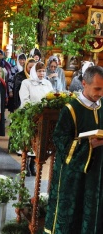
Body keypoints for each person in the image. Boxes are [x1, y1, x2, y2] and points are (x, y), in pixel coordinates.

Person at [44, 66, 103, 234]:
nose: (101, 93)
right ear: (84, 83)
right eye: (97, 88)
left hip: (98, 172)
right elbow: (60, 141)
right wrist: (88, 145)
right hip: (74, 177)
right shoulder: (71, 109)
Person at [19, 61, 53, 176]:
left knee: (39, 141)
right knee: (29, 141)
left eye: (43, 71)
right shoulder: (26, 83)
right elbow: (25, 100)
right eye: (39, 71)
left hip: (44, 118)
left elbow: (51, 97)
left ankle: (33, 165)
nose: (41, 74)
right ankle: (26, 164)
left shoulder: (47, 83)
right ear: (34, 71)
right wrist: (34, 110)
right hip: (30, 116)